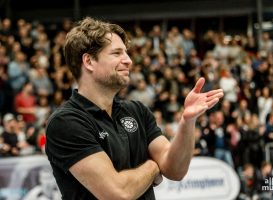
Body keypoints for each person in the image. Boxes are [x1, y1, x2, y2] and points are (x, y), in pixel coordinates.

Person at [45, 17, 224, 200]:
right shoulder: (66, 122)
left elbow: (175, 170)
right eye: (117, 53)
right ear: (89, 61)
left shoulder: (137, 111)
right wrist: (153, 167)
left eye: (126, 53)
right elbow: (118, 194)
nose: (128, 60)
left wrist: (187, 121)